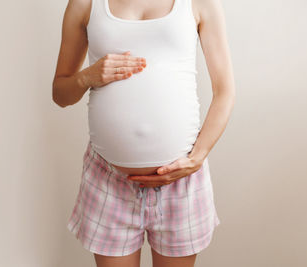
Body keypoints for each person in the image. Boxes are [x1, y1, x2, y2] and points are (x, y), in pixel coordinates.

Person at [52, 0, 235, 266]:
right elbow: (60, 94)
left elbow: (225, 92)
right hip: (108, 181)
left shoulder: (200, 2)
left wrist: (198, 157)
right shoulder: (85, 3)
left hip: (181, 181)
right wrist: (87, 77)